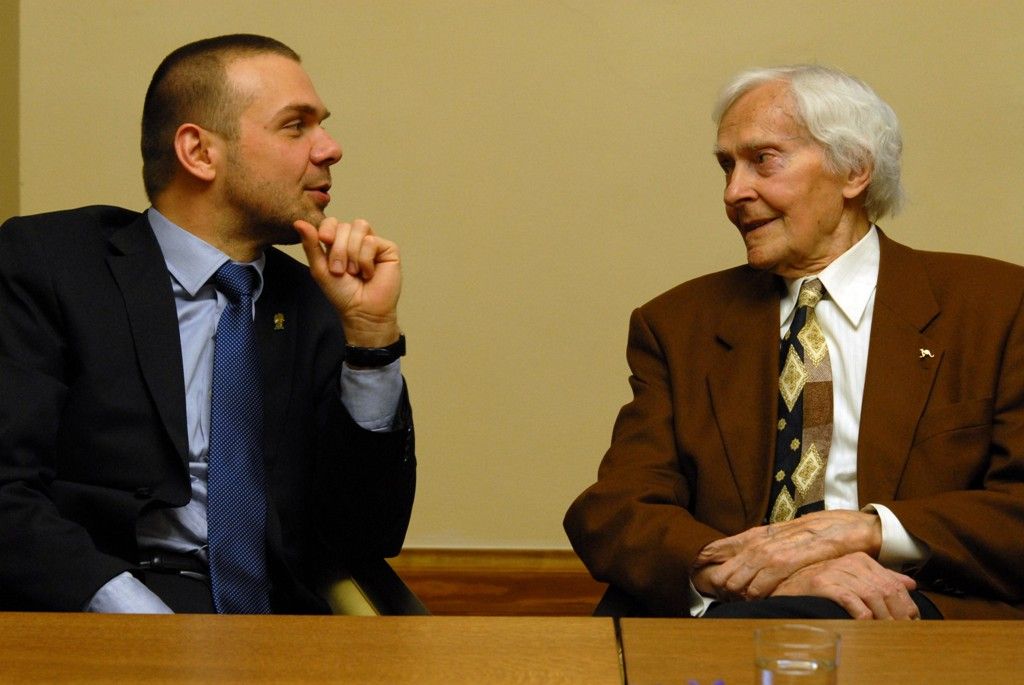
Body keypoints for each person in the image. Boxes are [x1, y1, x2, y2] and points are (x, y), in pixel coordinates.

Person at [564, 64, 1024, 620]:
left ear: (853, 170)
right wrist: (751, 575)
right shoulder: (678, 324)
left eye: (763, 160)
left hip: (912, 609)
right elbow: (615, 509)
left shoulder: (998, 306)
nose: (734, 192)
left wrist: (867, 531)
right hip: (734, 613)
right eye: (727, 167)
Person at [0, 34, 415, 614]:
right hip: (109, 605)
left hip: (279, 622)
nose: (330, 148)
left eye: (321, 126)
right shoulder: (50, 265)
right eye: (295, 126)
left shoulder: (316, 301)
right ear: (198, 152)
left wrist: (371, 337)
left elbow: (364, 535)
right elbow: (8, 491)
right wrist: (139, 622)